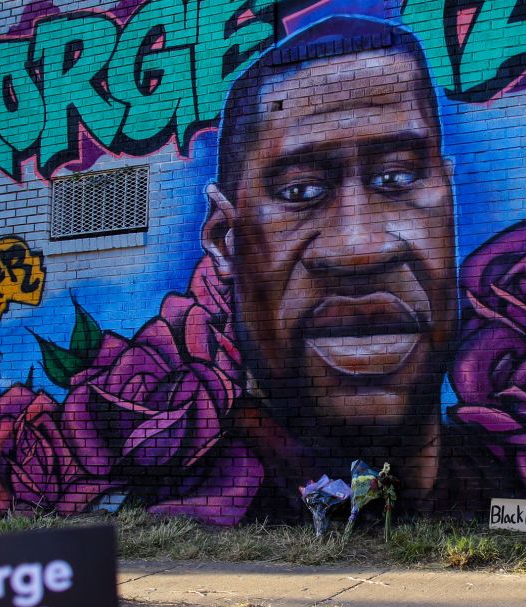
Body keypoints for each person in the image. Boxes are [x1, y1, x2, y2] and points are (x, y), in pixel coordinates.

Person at [199, 17, 470, 519]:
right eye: (300, 192)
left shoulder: (501, 482)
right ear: (224, 240)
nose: (359, 249)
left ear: (451, 209)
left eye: (398, 177)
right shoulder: (191, 507)